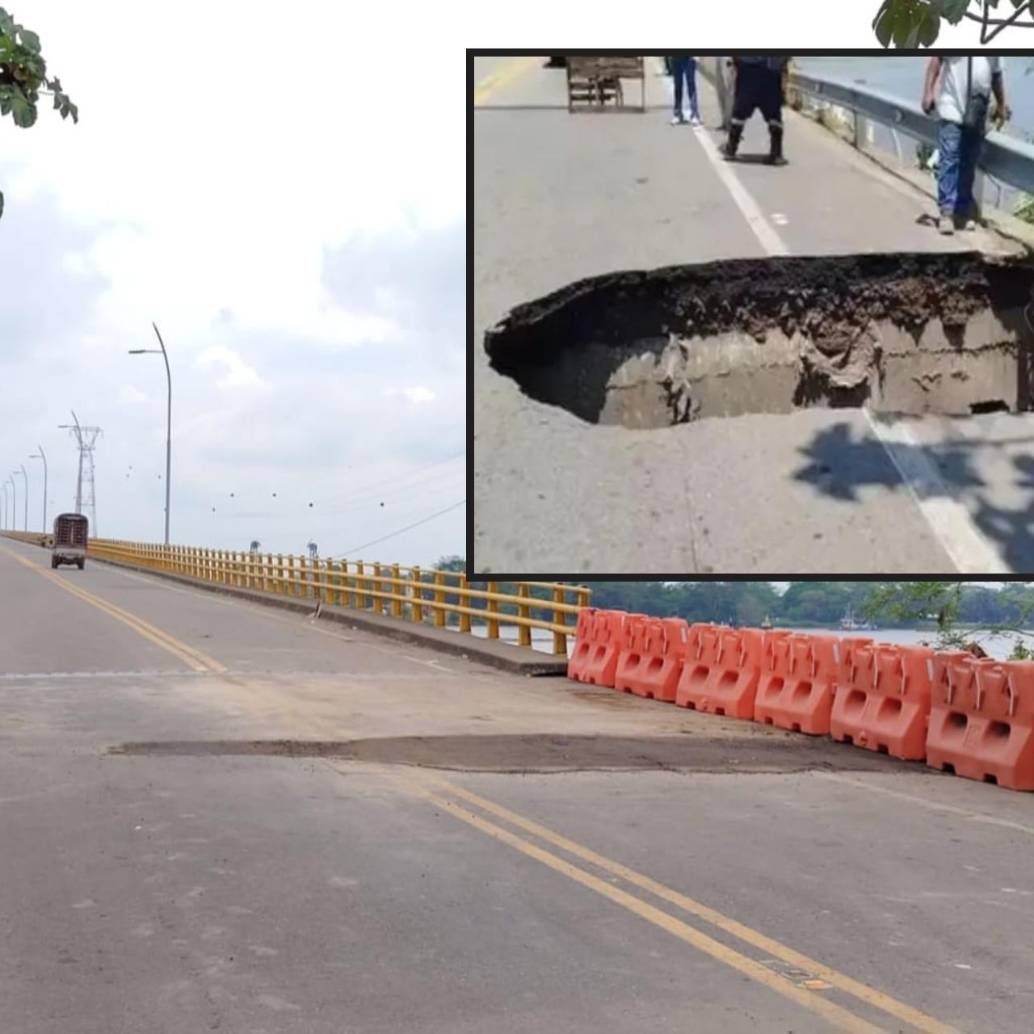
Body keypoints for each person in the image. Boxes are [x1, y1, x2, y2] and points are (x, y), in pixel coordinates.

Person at [922, 55, 1009, 235]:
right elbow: (936, 60)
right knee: (950, 156)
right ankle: (947, 212)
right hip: (951, 105)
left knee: (968, 160)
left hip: (977, 109)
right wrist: (928, 92)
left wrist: (1001, 105)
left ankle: (962, 210)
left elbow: (996, 75)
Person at [722, 56, 790, 165]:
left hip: (747, 74)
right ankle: (776, 154)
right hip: (770, 76)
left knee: (739, 115)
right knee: (774, 117)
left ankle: (731, 150)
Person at [669, 54, 701, 126]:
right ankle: (678, 114)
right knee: (678, 86)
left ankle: (694, 114)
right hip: (675, 57)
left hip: (689, 58)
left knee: (691, 85)